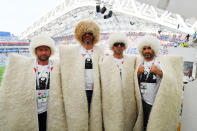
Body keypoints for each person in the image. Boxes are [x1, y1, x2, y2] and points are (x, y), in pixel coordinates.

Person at [0, 35, 67, 131]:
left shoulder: (57, 66)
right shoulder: (25, 67)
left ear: (50, 51)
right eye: (40, 50)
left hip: (51, 112)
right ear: (35, 51)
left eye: (46, 49)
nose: (43, 52)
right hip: (31, 111)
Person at [59, 20, 103, 131]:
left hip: (95, 91)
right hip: (78, 92)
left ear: (94, 35)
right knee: (79, 119)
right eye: (85, 33)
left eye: (90, 33)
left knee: (95, 119)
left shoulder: (99, 51)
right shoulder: (74, 51)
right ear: (80, 35)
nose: (87, 36)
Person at [135, 35, 183, 131]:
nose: (147, 51)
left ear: (154, 49)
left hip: (156, 102)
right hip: (142, 101)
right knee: (143, 125)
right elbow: (133, 79)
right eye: (144, 49)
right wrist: (138, 73)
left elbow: (170, 80)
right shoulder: (139, 62)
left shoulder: (161, 62)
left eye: (149, 48)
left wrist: (158, 72)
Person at [99, 32, 143, 131]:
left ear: (124, 46)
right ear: (112, 46)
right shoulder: (104, 62)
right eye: (116, 44)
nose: (119, 46)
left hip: (128, 101)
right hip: (110, 102)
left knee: (127, 124)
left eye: (121, 44)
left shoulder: (132, 60)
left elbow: (136, 76)